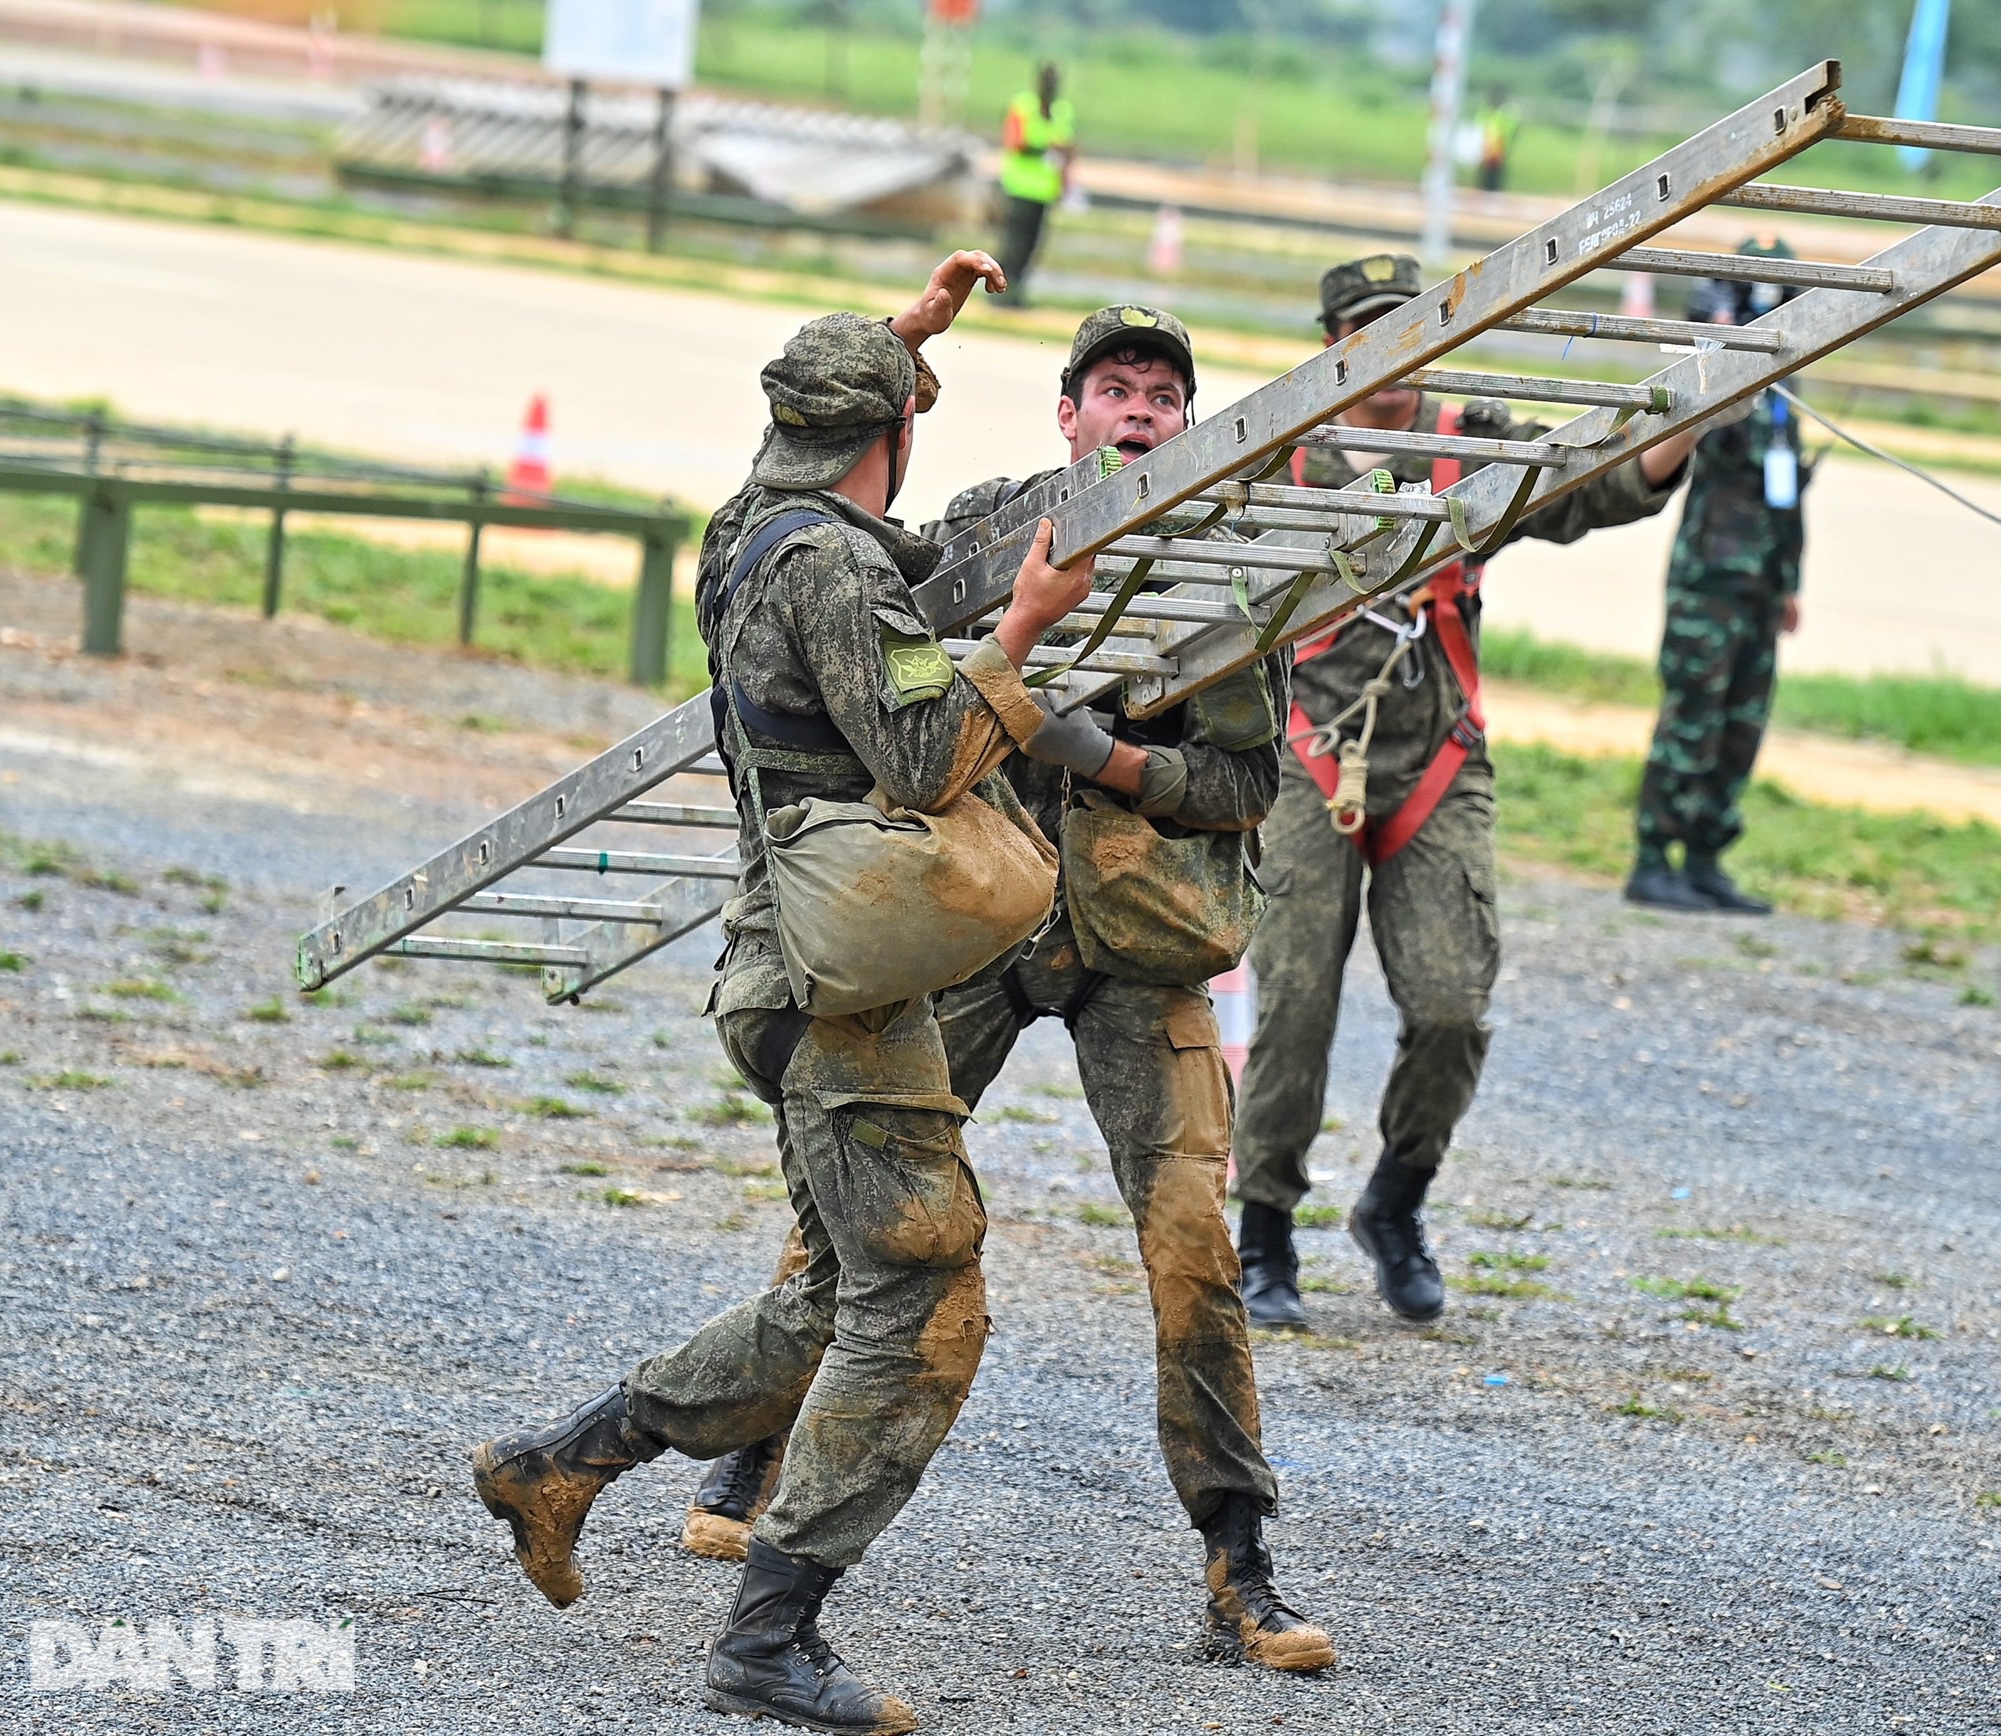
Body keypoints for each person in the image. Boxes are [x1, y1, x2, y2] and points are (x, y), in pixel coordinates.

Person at [467, 251, 1104, 1736]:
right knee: (924, 1294)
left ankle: (558, 1464)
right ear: (886, 439)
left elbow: (813, 447)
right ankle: (769, 1639)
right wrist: (1024, 627)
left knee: (833, 1293)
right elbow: (927, 761)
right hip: (839, 979)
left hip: (798, 965)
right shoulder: (835, 565)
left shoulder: (746, 530)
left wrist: (894, 341)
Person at [681, 304, 1334, 1676]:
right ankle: (747, 1468)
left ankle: (1240, 1566)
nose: (1141, 407)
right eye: (1115, 386)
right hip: (981, 923)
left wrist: (1106, 758)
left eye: (1165, 389)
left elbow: (1245, 786)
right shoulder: (991, 527)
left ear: (1191, 419)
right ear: (1069, 414)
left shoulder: (1226, 561)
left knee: (1191, 1253)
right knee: (860, 1206)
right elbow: (860, 612)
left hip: (1136, 940)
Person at [1230, 253, 1702, 1331]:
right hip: (1308, 753)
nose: (1391, 358)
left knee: (1452, 1002)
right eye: (1366, 333)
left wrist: (1691, 407)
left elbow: (1600, 486)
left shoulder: (1468, 436)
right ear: (1330, 343)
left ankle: (1395, 1199)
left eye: (1411, 332)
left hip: (1435, 759)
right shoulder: (1277, 454)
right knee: (1296, 1002)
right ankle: (1263, 1228)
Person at [1628, 236, 1810, 916]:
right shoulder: (1716, 375)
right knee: (1691, 721)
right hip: (1708, 582)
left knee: (1741, 726)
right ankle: (1654, 858)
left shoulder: (1789, 390)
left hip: (1760, 585)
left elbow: (1786, 497)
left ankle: (1705, 857)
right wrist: (1723, 337)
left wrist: (1789, 580)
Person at [997, 62, 1075, 307]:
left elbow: (1067, 151)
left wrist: (1064, 183)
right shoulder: (1023, 107)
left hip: (1044, 190)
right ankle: (1000, 292)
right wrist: (1047, 146)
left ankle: (1018, 291)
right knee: (1014, 243)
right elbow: (1014, 141)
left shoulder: (1063, 111)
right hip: (1020, 186)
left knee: (1033, 245)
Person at [1475, 87, 1519, 193]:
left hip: (1499, 149)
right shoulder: (1486, 112)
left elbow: (1510, 132)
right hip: (1486, 150)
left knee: (1494, 178)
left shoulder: (1506, 113)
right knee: (1484, 179)